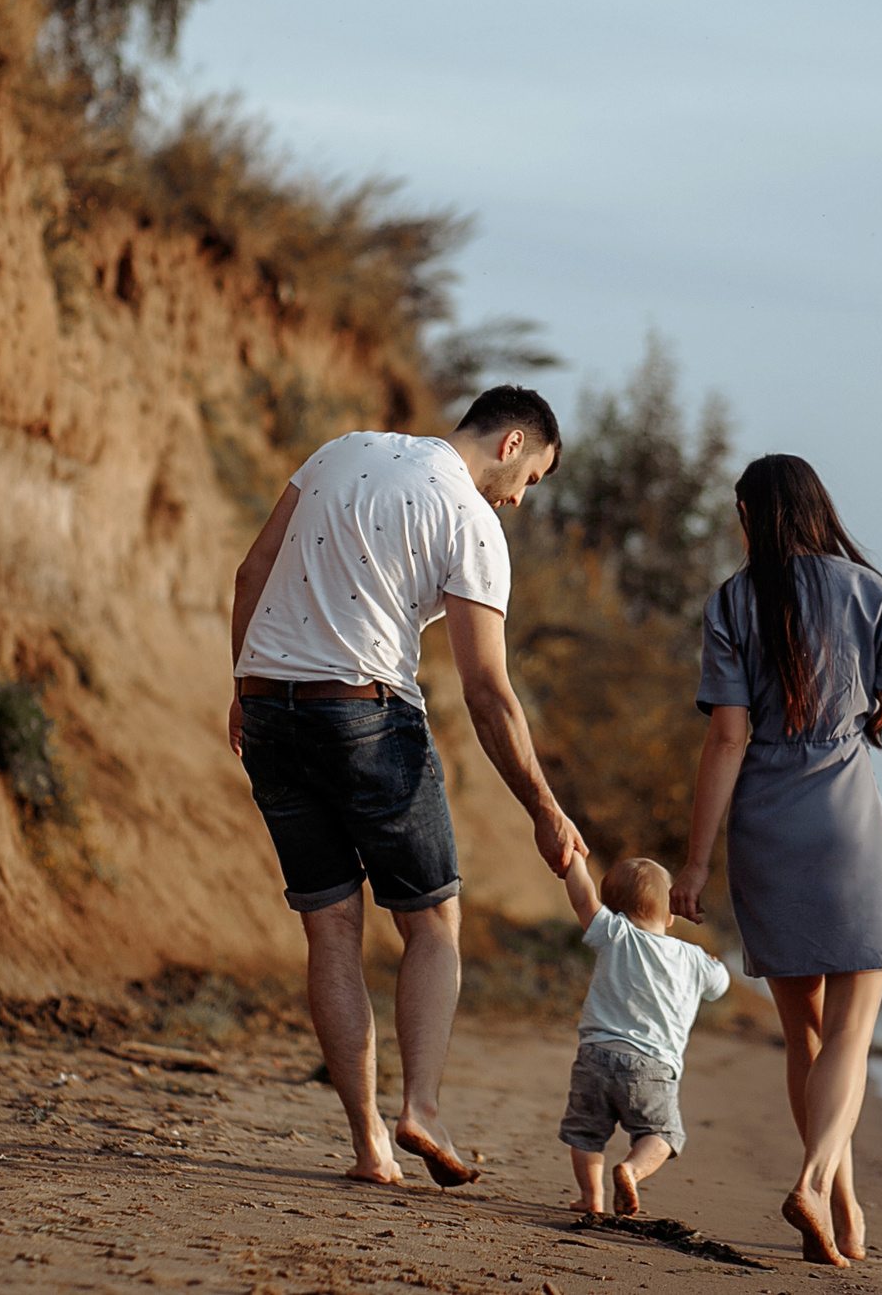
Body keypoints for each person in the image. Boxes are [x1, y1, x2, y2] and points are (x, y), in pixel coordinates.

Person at [228, 386, 588, 1189]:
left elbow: (253, 568)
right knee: (432, 922)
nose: (523, 496)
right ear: (512, 442)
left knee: (331, 929)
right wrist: (544, 806)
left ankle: (369, 1147)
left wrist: (242, 688)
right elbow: (488, 691)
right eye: (533, 476)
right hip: (363, 713)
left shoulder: (342, 448)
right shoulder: (470, 518)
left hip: (270, 707)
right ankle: (420, 1105)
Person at [671, 454, 882, 1268]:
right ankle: (812, 1179)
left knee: (803, 1031)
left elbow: (727, 737)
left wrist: (697, 862)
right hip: (846, 830)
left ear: (748, 512)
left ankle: (841, 1202)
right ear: (817, 508)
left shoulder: (732, 599)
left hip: (765, 830)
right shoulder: (867, 592)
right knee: (852, 1028)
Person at [555, 853, 730, 1217]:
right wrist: (715, 966)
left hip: (595, 1056)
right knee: (662, 1134)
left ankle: (591, 1197)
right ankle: (631, 1170)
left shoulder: (614, 933)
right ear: (669, 915)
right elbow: (719, 986)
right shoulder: (692, 956)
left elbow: (582, 898)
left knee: (586, 1134)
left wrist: (574, 860)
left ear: (613, 910)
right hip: (652, 1067)